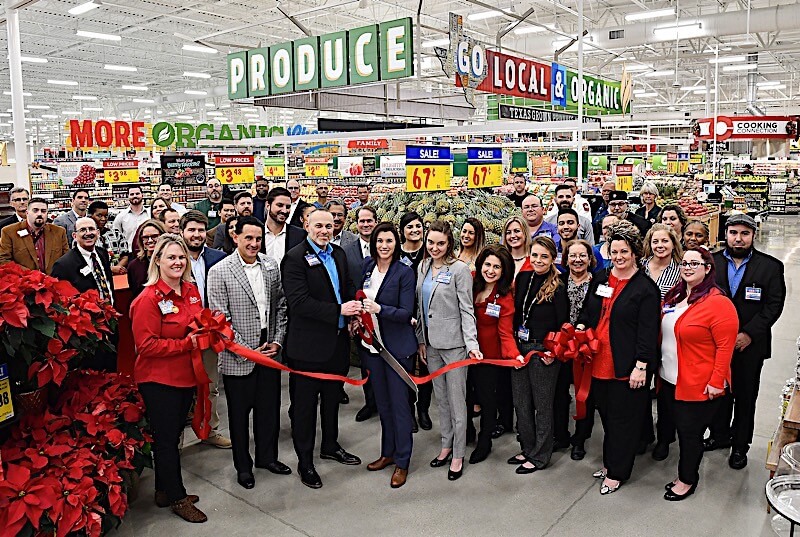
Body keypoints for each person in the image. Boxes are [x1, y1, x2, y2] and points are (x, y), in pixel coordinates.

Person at [576, 220, 661, 495]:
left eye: (624, 252)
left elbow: (648, 333)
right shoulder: (600, 279)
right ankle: (611, 461)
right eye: (614, 252)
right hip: (596, 360)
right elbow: (588, 311)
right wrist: (579, 327)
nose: (619, 257)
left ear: (635, 253)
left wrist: (641, 366)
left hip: (625, 366)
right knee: (607, 417)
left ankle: (618, 471)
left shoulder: (645, 289)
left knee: (622, 420)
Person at [281, 208, 363, 489]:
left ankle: (330, 444)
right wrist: (340, 309)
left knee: (331, 400)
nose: (324, 231)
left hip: (337, 343)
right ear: (306, 225)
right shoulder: (294, 259)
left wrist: (352, 315)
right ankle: (305, 462)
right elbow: (299, 303)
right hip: (307, 348)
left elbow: (348, 287)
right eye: (318, 225)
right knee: (304, 407)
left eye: (329, 226)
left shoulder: (338, 254)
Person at [208, 216, 291, 489]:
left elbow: (280, 306)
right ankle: (243, 466)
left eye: (258, 239)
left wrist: (277, 342)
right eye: (249, 239)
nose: (254, 244)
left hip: (269, 351)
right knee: (239, 416)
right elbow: (221, 319)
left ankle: (267, 457)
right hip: (238, 357)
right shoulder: (219, 271)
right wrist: (246, 349)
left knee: (269, 410)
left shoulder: (270, 266)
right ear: (236, 237)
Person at [130, 234, 207, 523]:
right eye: (171, 257)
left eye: (181, 257)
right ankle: (177, 496)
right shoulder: (147, 299)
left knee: (174, 436)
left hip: (186, 377)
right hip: (159, 381)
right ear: (158, 261)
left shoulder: (190, 290)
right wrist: (187, 345)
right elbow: (146, 346)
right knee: (165, 440)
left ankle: (164, 489)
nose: (177, 262)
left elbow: (197, 322)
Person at [706, 213, 786, 470]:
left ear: (753, 235)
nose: (738, 239)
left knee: (745, 395)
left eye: (744, 234)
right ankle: (719, 436)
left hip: (749, 345)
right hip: (715, 345)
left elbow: (773, 305)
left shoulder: (771, 267)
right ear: (725, 234)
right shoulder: (712, 263)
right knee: (718, 392)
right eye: (733, 233)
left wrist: (749, 333)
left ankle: (740, 445)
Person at [660, 248, 738, 500]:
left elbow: (726, 347)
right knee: (679, 428)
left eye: (695, 263)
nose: (688, 267)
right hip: (669, 378)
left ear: (708, 268)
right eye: (684, 263)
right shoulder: (677, 296)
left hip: (697, 383)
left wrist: (717, 381)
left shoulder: (718, 303)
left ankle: (687, 479)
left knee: (689, 434)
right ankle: (684, 474)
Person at [416, 220, 482, 481]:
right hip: (431, 345)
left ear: (449, 244)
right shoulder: (422, 267)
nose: (434, 247)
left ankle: (457, 454)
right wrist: (421, 339)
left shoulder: (459, 270)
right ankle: (445, 445)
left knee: (457, 403)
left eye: (440, 243)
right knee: (440, 400)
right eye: (430, 242)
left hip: (455, 346)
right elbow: (420, 308)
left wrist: (472, 344)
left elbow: (467, 309)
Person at [358, 222, 418, 488]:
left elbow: (406, 313)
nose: (384, 246)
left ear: (396, 244)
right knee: (382, 405)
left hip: (396, 349)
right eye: (380, 241)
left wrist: (380, 308)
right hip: (372, 348)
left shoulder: (404, 273)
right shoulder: (367, 267)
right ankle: (388, 452)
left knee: (400, 407)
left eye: (389, 241)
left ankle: (403, 461)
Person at [508, 236, 569, 474]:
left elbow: (563, 323)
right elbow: (516, 314)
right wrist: (512, 347)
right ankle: (528, 446)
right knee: (521, 402)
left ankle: (541, 455)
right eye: (535, 255)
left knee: (542, 405)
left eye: (544, 256)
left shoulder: (559, 285)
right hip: (520, 348)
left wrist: (554, 352)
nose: (539, 260)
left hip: (544, 351)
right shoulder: (523, 278)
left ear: (553, 258)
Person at [179, 211, 230, 450]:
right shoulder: (174, 257)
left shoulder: (219, 258)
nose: (196, 235)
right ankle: (175, 439)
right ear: (182, 232)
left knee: (210, 385)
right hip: (181, 335)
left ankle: (210, 429)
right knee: (180, 387)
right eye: (191, 230)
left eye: (201, 230)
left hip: (210, 332)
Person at [470, 245, 520, 464]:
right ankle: (467, 432)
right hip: (465, 352)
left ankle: (484, 441)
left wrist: (514, 356)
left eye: (496, 267)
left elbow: (505, 333)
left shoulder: (505, 297)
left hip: (489, 358)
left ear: (504, 270)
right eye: (487, 265)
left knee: (488, 401)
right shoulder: (470, 282)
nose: (490, 270)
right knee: (465, 396)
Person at [51, 216, 117, 372]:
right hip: (87, 331)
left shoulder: (102, 253)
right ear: (74, 235)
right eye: (83, 230)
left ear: (98, 232)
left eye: (91, 229)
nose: (88, 233)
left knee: (112, 367)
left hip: (111, 322)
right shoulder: (63, 264)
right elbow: (60, 301)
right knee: (93, 371)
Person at [555, 239, 596, 460]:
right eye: (572, 255)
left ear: (590, 258)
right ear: (566, 258)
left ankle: (580, 438)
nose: (577, 260)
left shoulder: (599, 284)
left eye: (582, 255)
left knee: (584, 394)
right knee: (560, 393)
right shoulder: (558, 282)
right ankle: (560, 435)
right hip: (562, 346)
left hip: (586, 347)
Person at [342, 206, 378, 422]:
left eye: (369, 220)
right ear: (356, 224)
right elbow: (346, 283)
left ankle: (388, 402)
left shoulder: (385, 245)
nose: (366, 224)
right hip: (359, 316)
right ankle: (370, 402)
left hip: (381, 314)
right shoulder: (347, 250)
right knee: (366, 362)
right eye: (362, 221)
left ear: (375, 222)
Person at [399, 212, 432, 431]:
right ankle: (409, 410)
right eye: (409, 226)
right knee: (408, 367)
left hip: (427, 315)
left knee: (427, 365)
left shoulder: (429, 251)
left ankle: (424, 409)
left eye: (418, 226)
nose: (414, 230)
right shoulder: (396, 252)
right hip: (403, 317)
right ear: (402, 230)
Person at [0, 197, 69, 274]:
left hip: (53, 281)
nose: (39, 214)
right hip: (25, 282)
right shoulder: (9, 232)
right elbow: (4, 260)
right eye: (35, 210)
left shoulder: (59, 232)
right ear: (27, 213)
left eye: (43, 211)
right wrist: (32, 275)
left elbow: (66, 259)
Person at [263, 187, 307, 265]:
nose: (284, 210)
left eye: (288, 207)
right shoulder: (257, 233)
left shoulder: (300, 235)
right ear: (268, 205)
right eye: (280, 205)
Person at [127, 220, 166, 300]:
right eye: (145, 237)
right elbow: (135, 294)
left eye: (154, 236)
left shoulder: (172, 260)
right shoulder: (134, 266)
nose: (150, 240)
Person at [643, 223, 683, 299]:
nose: (660, 245)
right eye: (655, 242)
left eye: (665, 241)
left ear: (673, 244)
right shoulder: (639, 266)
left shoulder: (681, 269)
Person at [89, 200, 128, 275]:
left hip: (117, 276)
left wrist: (118, 268)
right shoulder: (86, 238)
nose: (103, 219)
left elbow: (125, 256)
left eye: (106, 216)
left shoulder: (116, 234)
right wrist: (110, 270)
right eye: (99, 216)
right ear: (90, 216)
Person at [112, 185, 150, 251]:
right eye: (132, 194)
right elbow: (115, 237)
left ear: (142, 195)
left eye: (137, 193)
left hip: (147, 251)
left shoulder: (149, 214)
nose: (135, 196)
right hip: (129, 254)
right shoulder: (121, 216)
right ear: (128, 197)